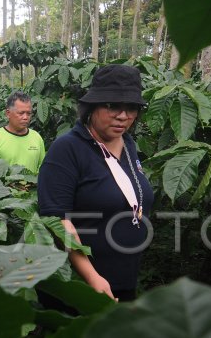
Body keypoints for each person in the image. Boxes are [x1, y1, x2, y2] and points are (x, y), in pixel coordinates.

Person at [37, 64, 154, 302]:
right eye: (112, 106)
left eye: (131, 108)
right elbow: (58, 220)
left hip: (124, 283)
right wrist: (91, 277)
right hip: (82, 288)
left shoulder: (129, 145)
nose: (123, 116)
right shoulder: (68, 148)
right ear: (92, 107)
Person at [0, 91, 45, 174]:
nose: (25, 117)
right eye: (21, 113)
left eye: (28, 113)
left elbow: (43, 168)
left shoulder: (37, 137)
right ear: (8, 113)